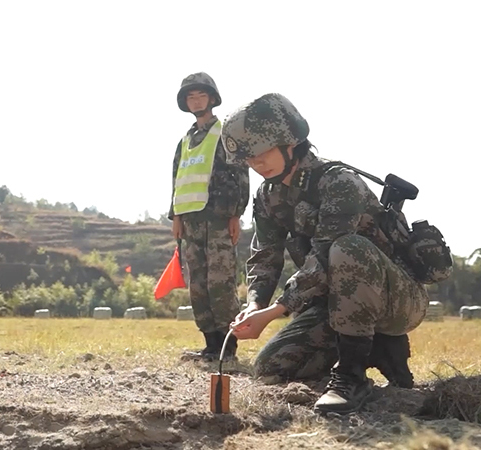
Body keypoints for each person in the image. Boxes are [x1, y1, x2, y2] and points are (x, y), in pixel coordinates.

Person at [224, 93, 452, 414]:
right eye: (248, 158)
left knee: (346, 248)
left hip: (398, 299)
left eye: (261, 153)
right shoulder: (268, 196)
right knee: (272, 368)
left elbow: (325, 254)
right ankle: (375, 350)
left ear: (291, 142)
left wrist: (276, 310)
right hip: (334, 304)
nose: (255, 163)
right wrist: (254, 305)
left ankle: (351, 376)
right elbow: (264, 254)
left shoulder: (339, 182)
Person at [168, 72, 250, 361]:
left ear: (212, 99)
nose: (196, 100)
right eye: (190, 96)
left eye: (201, 95)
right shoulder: (185, 141)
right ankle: (210, 345)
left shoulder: (224, 133)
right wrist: (175, 216)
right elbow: (177, 179)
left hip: (217, 220)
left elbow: (240, 173)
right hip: (189, 222)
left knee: (221, 283)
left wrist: (235, 215)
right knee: (199, 286)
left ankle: (228, 348)